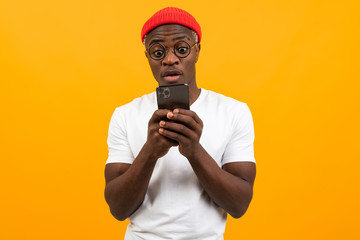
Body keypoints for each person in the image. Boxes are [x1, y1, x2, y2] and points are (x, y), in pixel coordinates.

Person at [104, 7, 256, 240]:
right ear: (147, 57)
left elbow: (239, 205)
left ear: (197, 52)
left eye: (182, 49)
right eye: (157, 52)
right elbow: (118, 208)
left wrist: (194, 151)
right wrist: (150, 152)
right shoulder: (124, 115)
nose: (170, 59)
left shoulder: (233, 111)